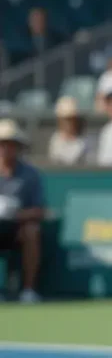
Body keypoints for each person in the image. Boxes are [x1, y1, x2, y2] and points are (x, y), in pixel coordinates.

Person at [0, 119, 44, 303]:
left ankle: (28, 290)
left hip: (18, 230)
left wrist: (14, 213)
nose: (5, 149)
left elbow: (39, 211)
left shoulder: (30, 174)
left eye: (10, 144)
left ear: (17, 147)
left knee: (32, 232)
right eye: (2, 144)